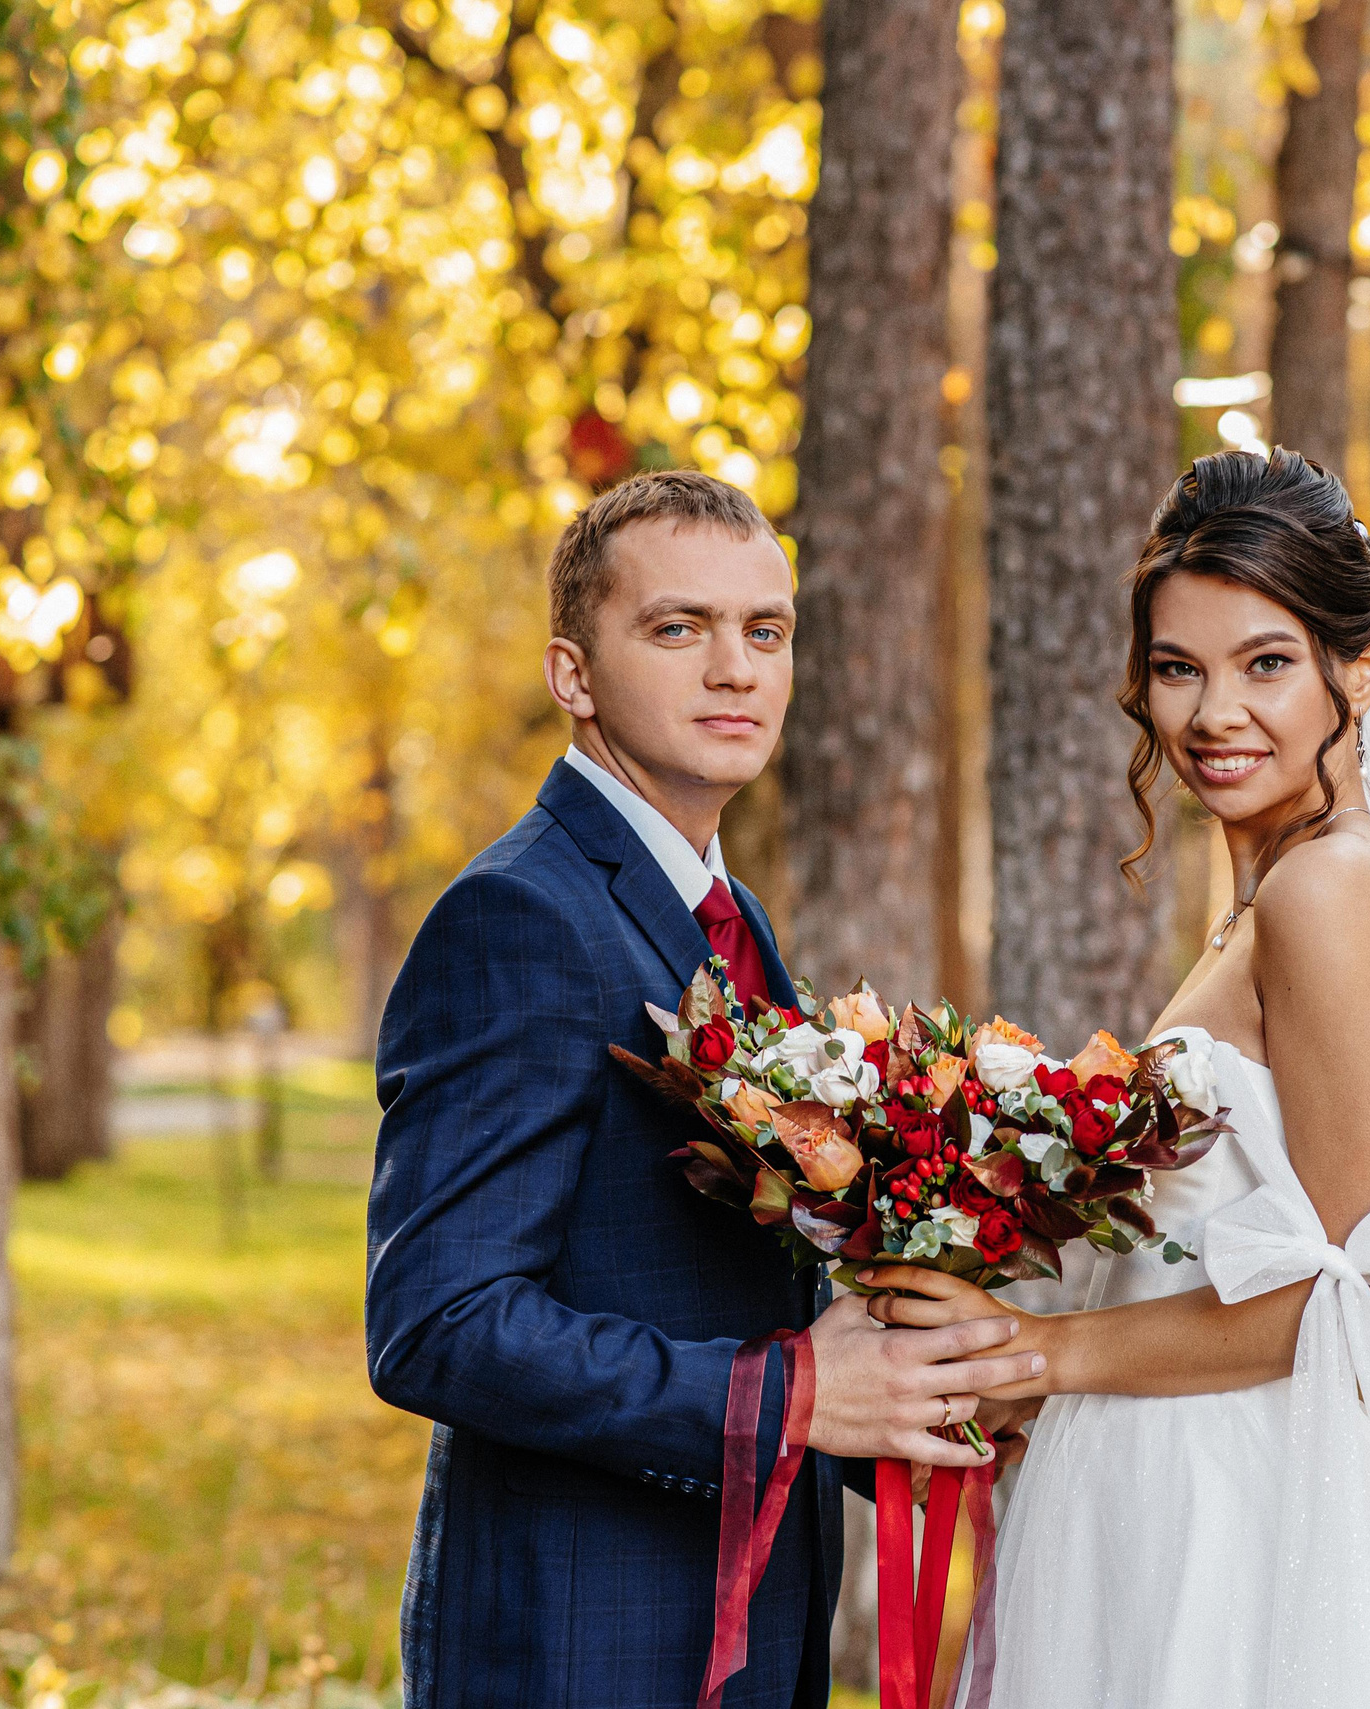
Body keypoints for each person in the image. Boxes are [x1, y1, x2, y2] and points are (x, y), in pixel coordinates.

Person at [869, 448, 1370, 1708]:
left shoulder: (1331, 892)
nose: (1213, 712)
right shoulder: (1269, 895)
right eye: (1178, 667)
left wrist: (1040, 1353)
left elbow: (1363, 1306)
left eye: (1265, 663)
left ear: (1363, 668)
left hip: (1253, 1523)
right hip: (1163, 1473)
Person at [364, 470, 1042, 1709]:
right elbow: (436, 1325)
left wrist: (922, 1395)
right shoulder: (520, 916)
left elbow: (714, 1276)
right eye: (678, 628)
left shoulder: (729, 919)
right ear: (573, 673)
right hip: (583, 1642)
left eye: (763, 631)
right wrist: (792, 1391)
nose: (734, 668)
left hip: (744, 1628)